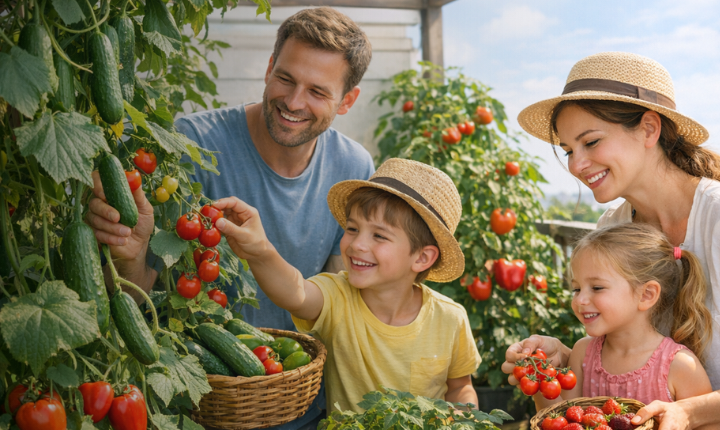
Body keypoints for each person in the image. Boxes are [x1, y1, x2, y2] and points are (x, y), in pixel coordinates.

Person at [502, 52, 720, 430]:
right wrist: (564, 358)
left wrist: (690, 411)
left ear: (648, 129)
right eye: (568, 151)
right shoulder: (613, 226)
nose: (576, 165)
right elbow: (633, 342)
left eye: (590, 142)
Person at [86, 7, 375, 429]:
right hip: (196, 405)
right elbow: (134, 299)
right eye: (286, 78)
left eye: (318, 91)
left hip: (302, 409)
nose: (294, 102)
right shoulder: (191, 145)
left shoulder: (353, 169)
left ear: (347, 100)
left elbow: (340, 304)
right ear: (269, 68)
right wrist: (129, 257)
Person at [209, 158, 481, 412]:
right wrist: (260, 251)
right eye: (352, 229)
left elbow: (460, 386)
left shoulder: (450, 318)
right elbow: (295, 292)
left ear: (421, 258)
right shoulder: (338, 295)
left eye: (379, 236)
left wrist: (462, 417)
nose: (357, 244)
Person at [547, 223, 720, 430]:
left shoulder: (680, 366)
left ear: (646, 295)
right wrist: (540, 379)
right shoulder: (582, 353)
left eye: (597, 287)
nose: (580, 300)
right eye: (576, 289)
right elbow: (559, 421)